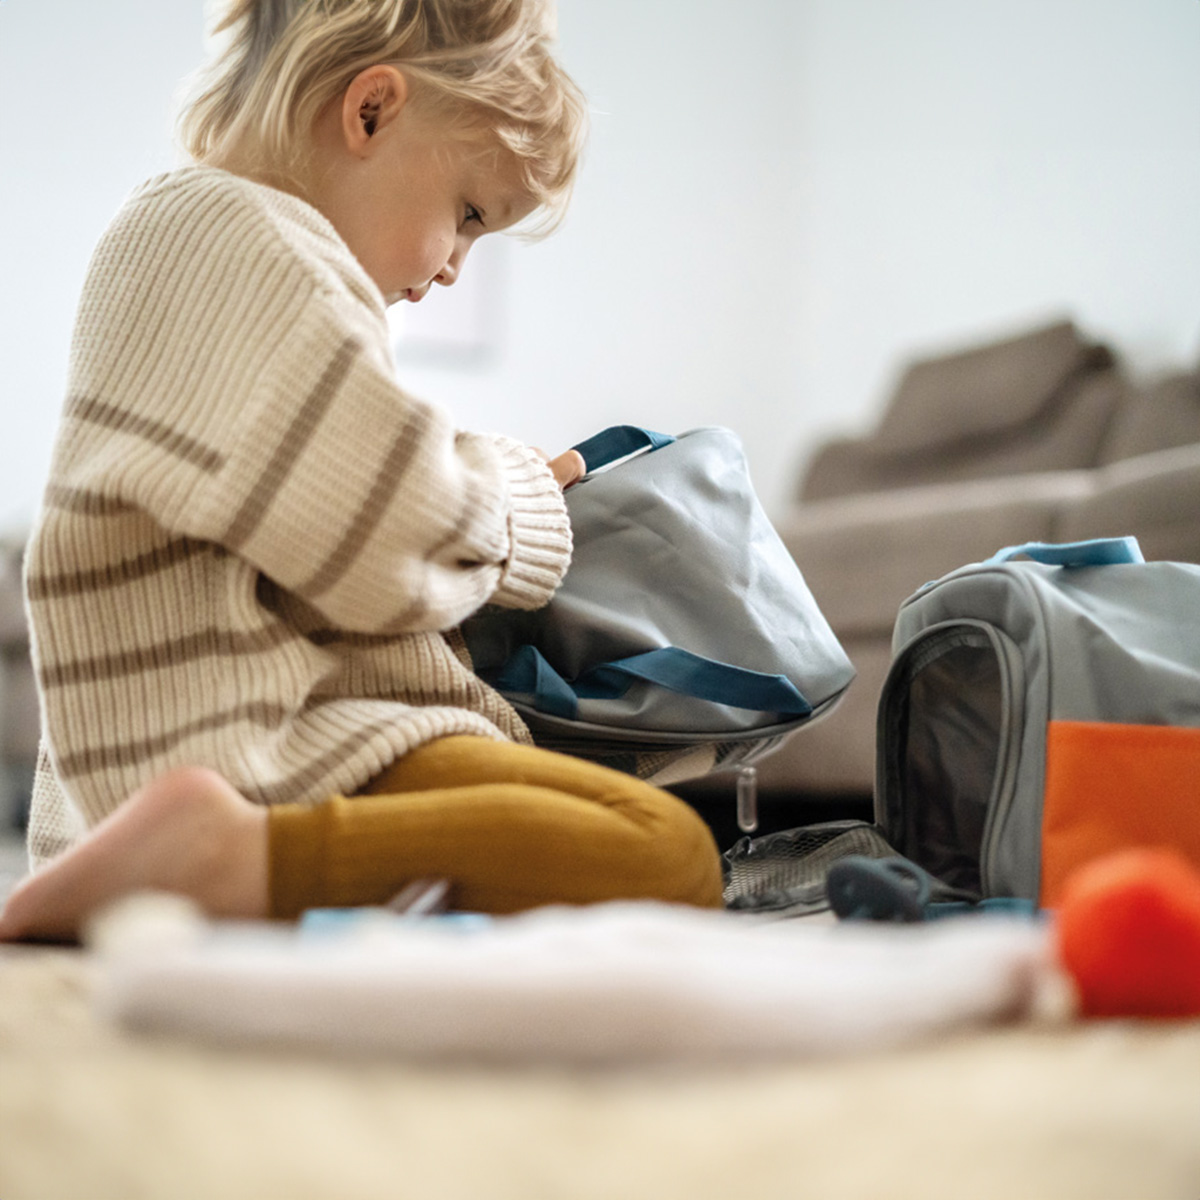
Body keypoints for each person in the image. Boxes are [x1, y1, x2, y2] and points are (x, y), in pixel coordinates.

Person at [0, 0, 722, 942]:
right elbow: (392, 528)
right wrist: (527, 495)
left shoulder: (211, 242)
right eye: (468, 214)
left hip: (258, 752)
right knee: (667, 853)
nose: (458, 265)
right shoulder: (228, 237)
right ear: (371, 110)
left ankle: (234, 878)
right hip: (276, 757)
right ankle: (222, 861)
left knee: (612, 832)